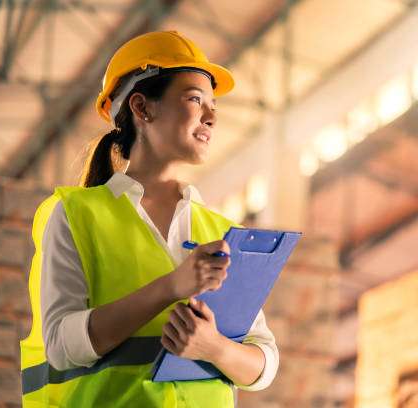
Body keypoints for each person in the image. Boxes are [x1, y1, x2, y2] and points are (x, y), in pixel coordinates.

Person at [20, 30, 278, 407]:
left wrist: (215, 348)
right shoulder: (76, 215)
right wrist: (170, 287)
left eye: (213, 106)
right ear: (142, 107)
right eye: (195, 99)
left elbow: (264, 362)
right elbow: (61, 345)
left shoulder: (222, 231)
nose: (211, 117)